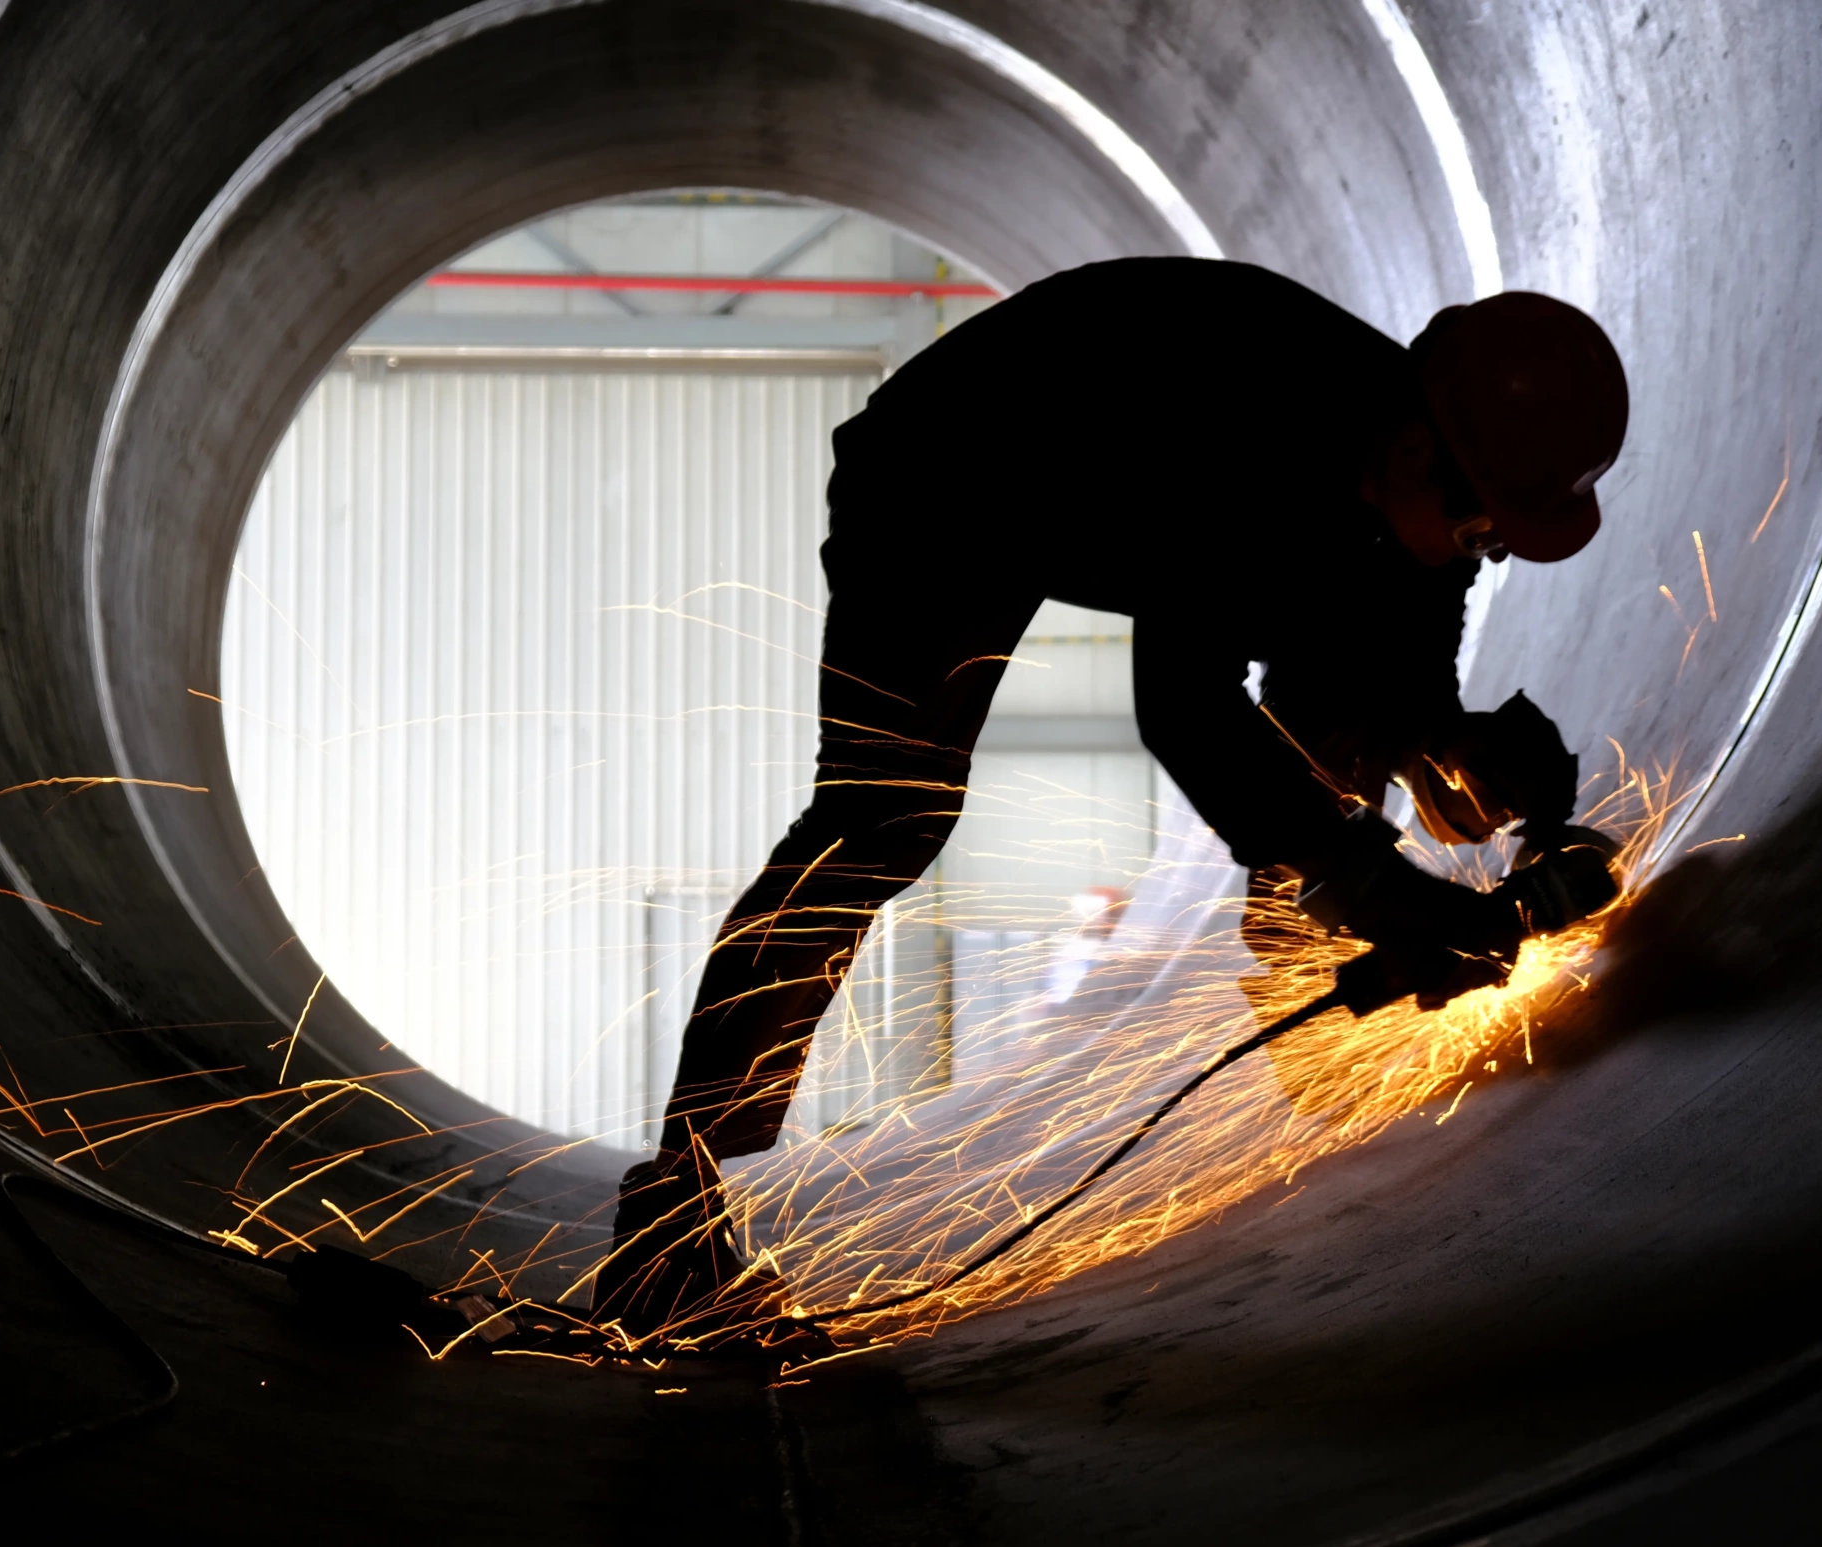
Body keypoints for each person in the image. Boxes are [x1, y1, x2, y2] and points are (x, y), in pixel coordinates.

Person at [594, 258, 1629, 1339]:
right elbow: (1182, 701)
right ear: (1416, 456)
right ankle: (672, 1220)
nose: (1485, 552)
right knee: (881, 819)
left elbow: (1399, 652)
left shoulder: (1422, 455)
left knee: (1357, 700)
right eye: (1481, 534)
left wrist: (1449, 741)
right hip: (947, 479)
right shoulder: (1248, 440)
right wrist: (1373, 885)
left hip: (1135, 492)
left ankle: (1314, 1026)